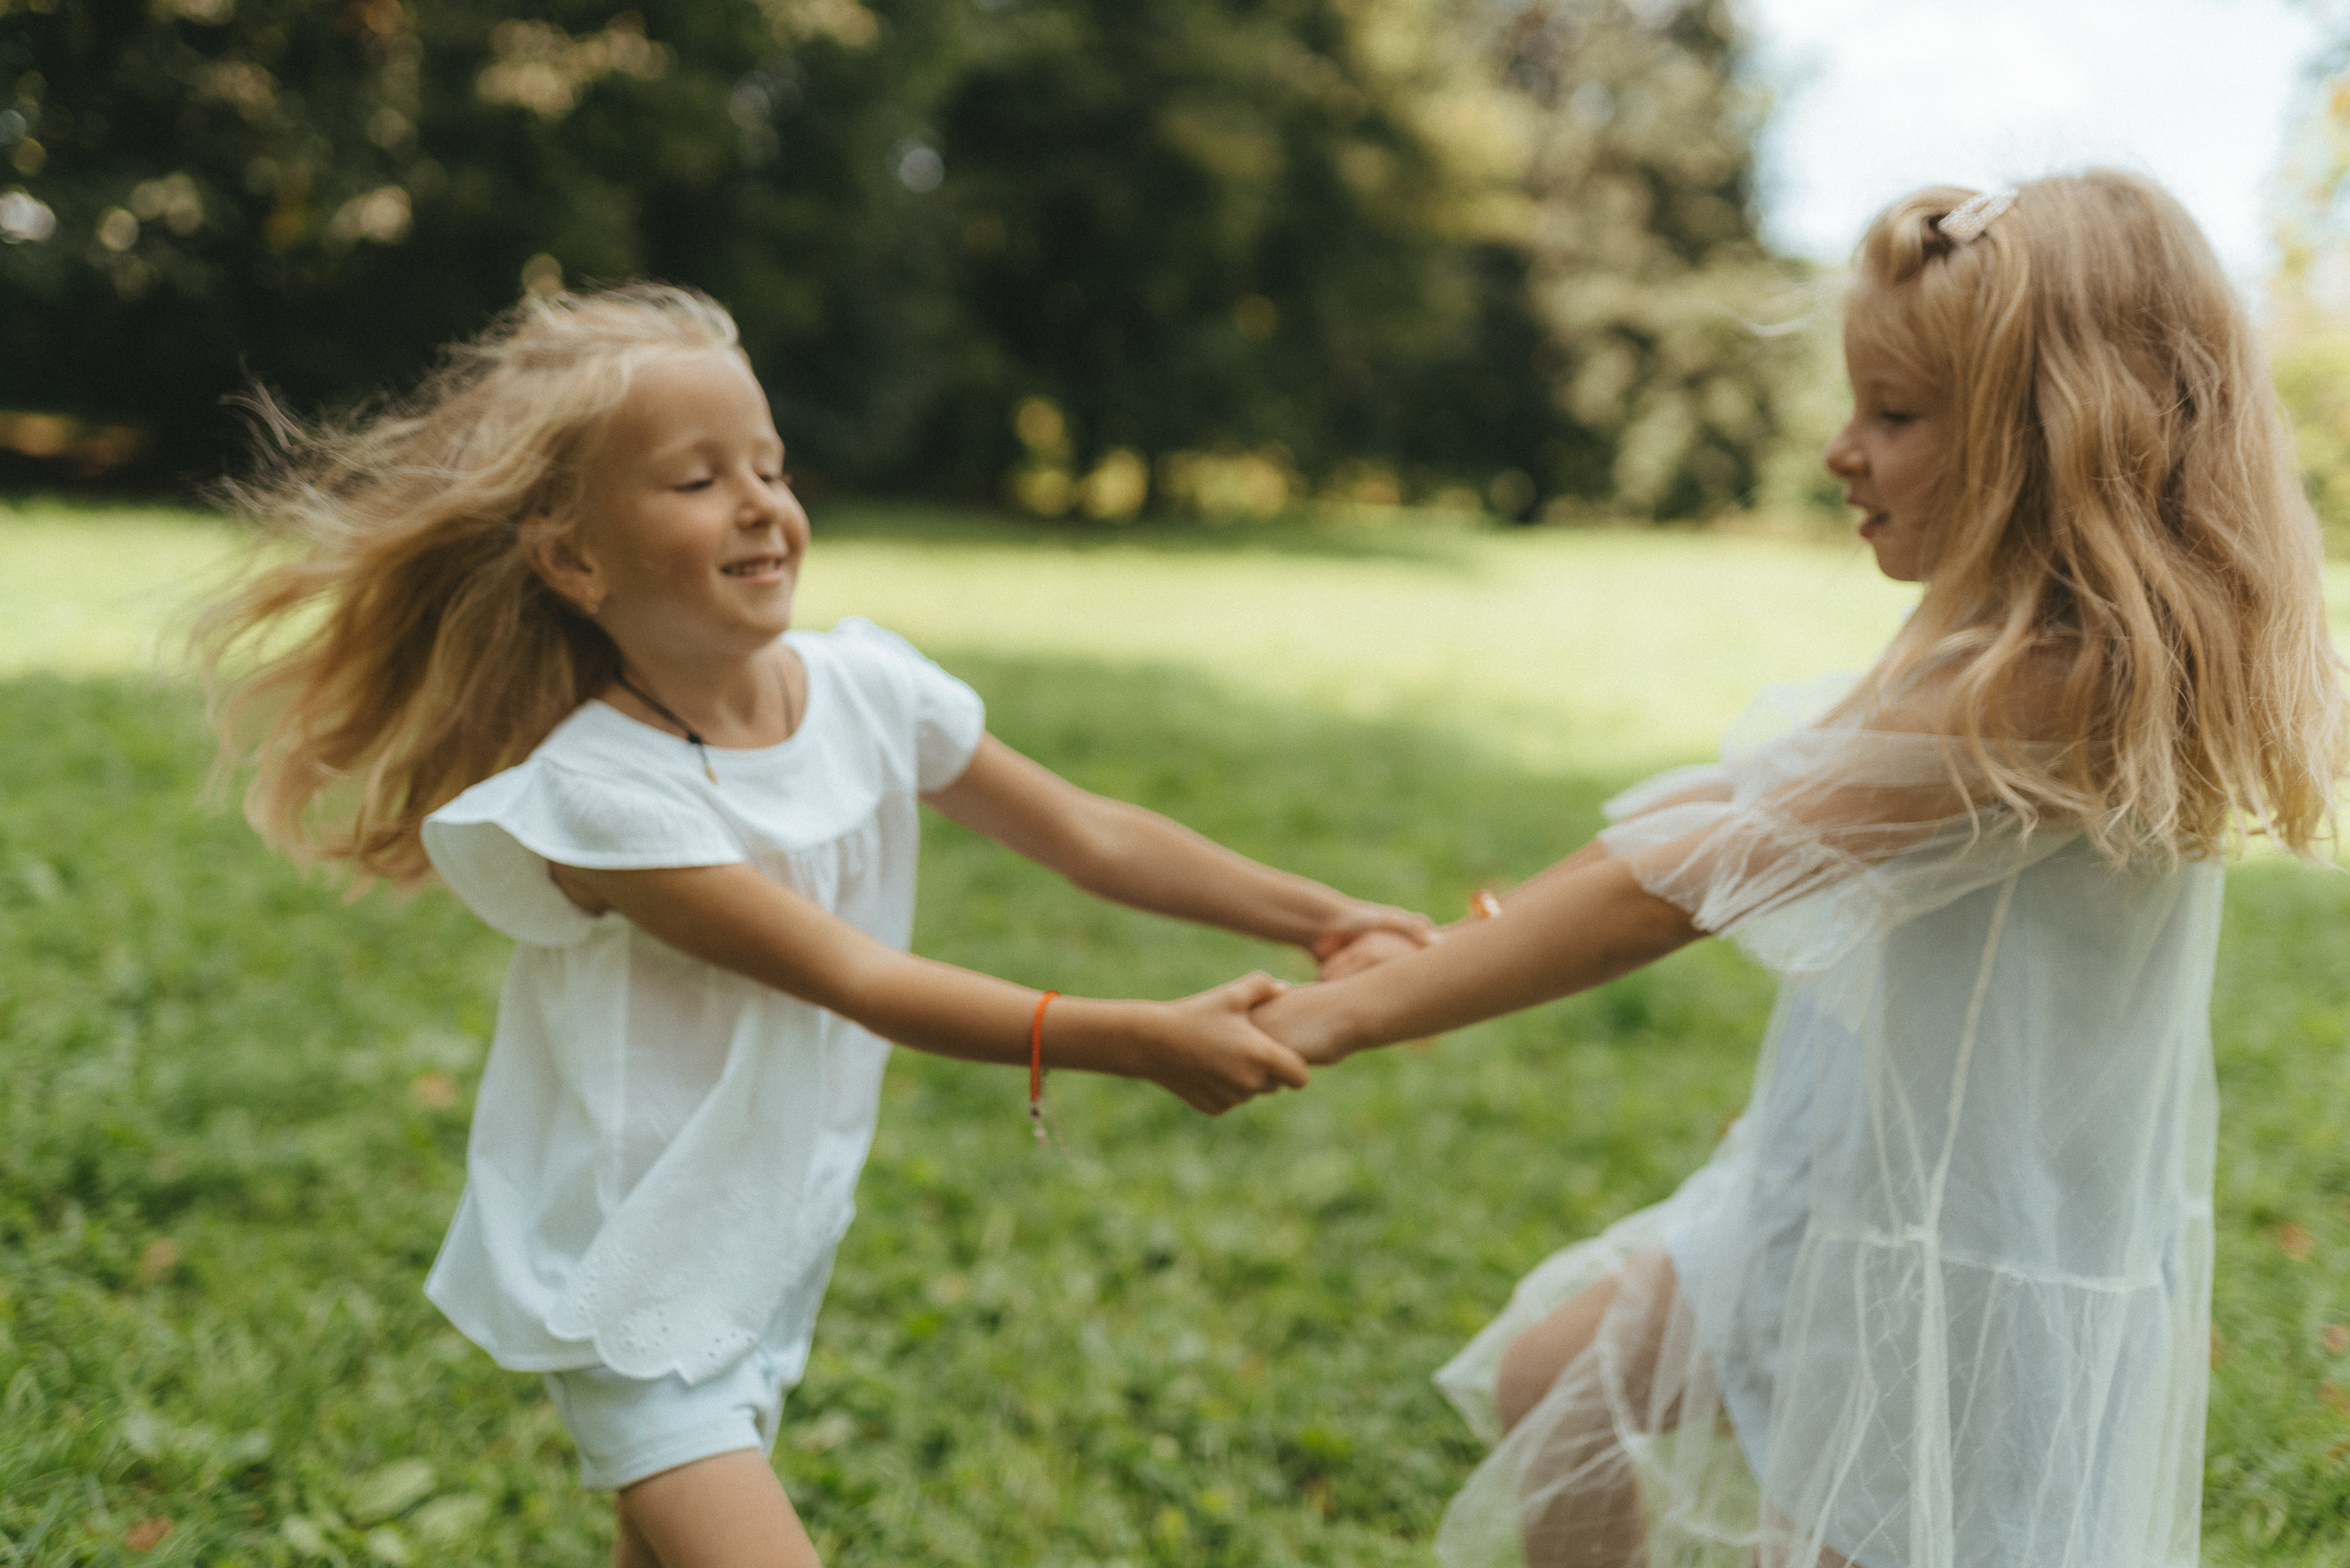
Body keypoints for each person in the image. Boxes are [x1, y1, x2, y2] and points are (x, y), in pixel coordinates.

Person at [198, 283, 1431, 1568]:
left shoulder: (865, 691)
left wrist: (1324, 915)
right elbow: (854, 975)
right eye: (694, 480)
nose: (760, 504)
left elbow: (1090, 833)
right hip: (639, 1258)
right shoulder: (604, 800)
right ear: (572, 559)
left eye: (770, 466)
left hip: (773, 1230)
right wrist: (1131, 1037)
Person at [1255, 171, 2344, 1567]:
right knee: (1558, 1383)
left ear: (2049, 436)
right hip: (1819, 1188)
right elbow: (1727, 804)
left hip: (1950, 1270)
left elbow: (1686, 883)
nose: (1842, 451)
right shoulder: (1969, 643)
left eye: (1895, 416)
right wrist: (1461, 934)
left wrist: (1345, 1016)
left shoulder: (2060, 689)